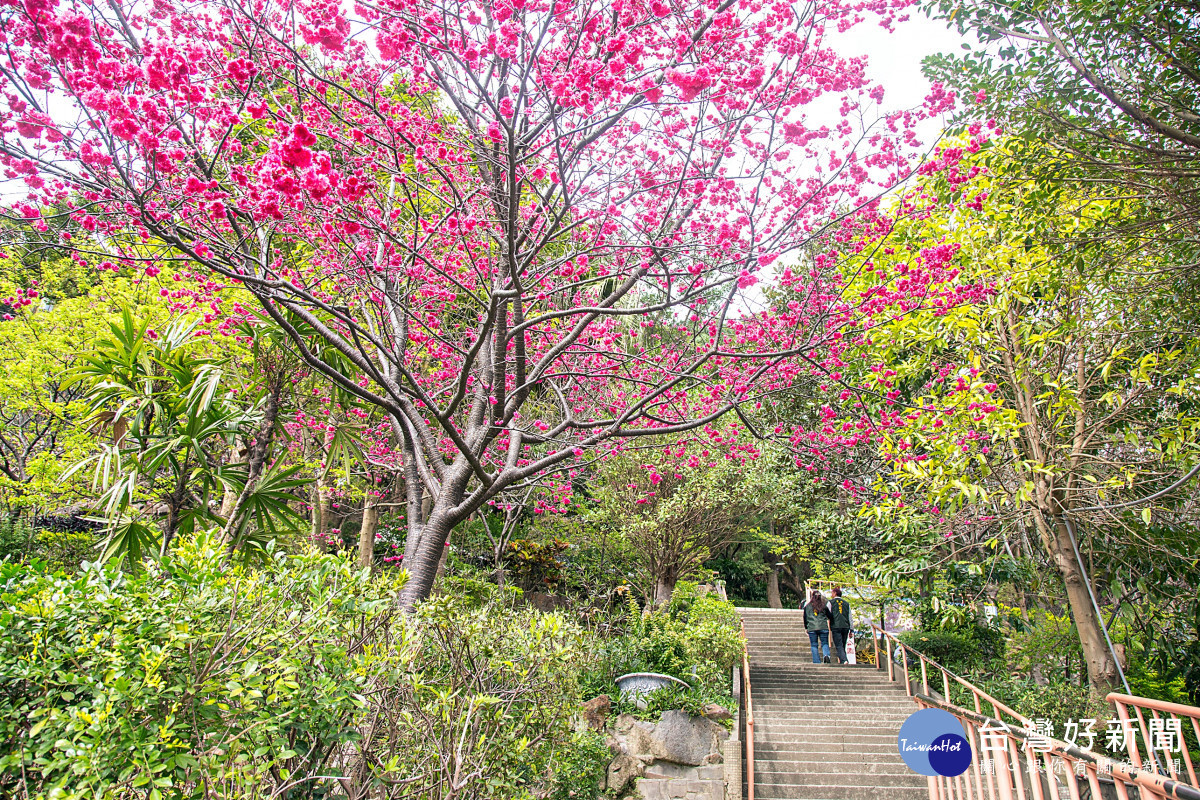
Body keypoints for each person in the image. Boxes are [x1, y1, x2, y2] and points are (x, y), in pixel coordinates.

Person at [803, 590, 832, 664]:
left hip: (812, 627)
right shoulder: (824, 606)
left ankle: (816, 661)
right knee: (825, 643)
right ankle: (826, 655)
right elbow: (830, 616)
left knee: (814, 645)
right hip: (823, 626)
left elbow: (805, 618)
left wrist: (806, 627)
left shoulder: (807, 607)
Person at [828, 586, 852, 666]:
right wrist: (851, 629)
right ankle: (843, 660)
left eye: (832, 593)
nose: (831, 594)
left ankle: (844, 660)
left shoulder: (830, 602)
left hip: (836, 626)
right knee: (843, 644)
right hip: (845, 626)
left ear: (835, 593)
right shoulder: (846, 603)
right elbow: (850, 617)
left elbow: (827, 612)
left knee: (838, 644)